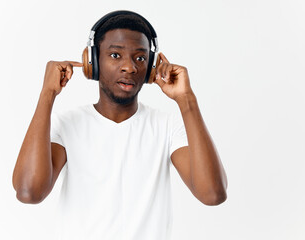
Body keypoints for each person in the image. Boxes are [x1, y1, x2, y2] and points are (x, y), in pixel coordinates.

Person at [12, 10, 228, 240]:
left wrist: (186, 100)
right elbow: (29, 192)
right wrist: (47, 94)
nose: (130, 67)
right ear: (92, 62)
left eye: (140, 58)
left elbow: (212, 194)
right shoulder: (67, 125)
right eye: (115, 55)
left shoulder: (167, 127)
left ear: (150, 69)